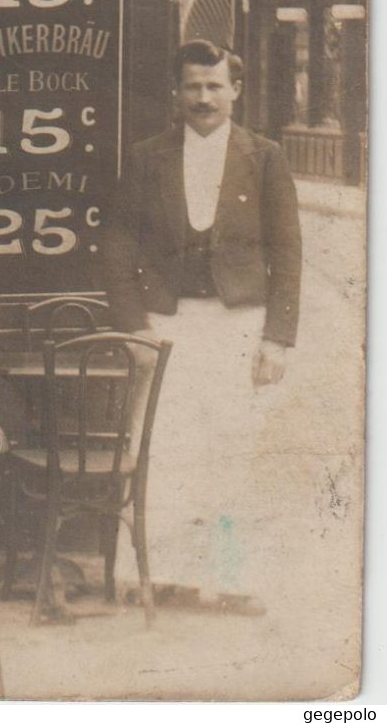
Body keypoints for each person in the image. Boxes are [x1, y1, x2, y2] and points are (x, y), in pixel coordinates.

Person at [101, 40, 300, 616]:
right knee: (160, 448)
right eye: (193, 86)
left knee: (233, 449)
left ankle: (231, 579)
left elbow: (287, 251)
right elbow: (117, 243)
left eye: (215, 86)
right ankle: (153, 574)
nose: (204, 98)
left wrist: (277, 338)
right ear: (176, 93)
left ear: (236, 90)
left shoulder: (264, 158)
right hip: (166, 321)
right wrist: (135, 326)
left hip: (239, 322)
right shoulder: (146, 158)